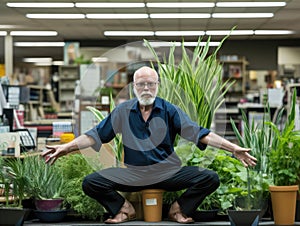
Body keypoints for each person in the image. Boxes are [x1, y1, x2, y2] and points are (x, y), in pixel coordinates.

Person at [42, 66, 257, 224]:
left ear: (157, 86)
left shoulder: (168, 110)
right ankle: (123, 209)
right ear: (134, 87)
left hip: (168, 172)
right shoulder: (123, 111)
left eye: (150, 84)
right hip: (133, 174)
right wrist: (65, 148)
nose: (146, 88)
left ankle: (179, 209)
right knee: (91, 182)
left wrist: (233, 148)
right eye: (141, 84)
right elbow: (94, 135)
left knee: (210, 178)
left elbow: (200, 134)